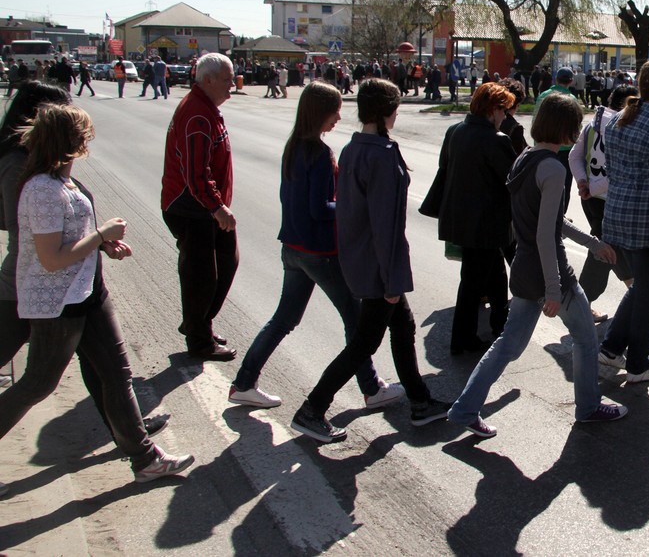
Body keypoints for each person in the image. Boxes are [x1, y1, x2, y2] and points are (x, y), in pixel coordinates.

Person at [0, 103, 194, 490]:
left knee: (116, 375)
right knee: (38, 383)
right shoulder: (41, 188)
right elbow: (52, 259)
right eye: (84, 136)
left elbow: (71, 241)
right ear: (73, 142)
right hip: (59, 303)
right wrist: (102, 235)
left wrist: (102, 247)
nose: (89, 141)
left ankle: (145, 459)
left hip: (87, 293)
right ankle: (144, 457)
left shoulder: (62, 182)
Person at [447, 92, 628, 437]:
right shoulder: (552, 168)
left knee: (507, 346)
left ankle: (464, 410)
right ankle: (589, 407)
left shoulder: (526, 158)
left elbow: (548, 222)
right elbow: (548, 235)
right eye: (575, 124)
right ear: (567, 128)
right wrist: (553, 289)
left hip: (524, 268)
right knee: (587, 339)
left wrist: (594, 244)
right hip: (552, 272)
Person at [291, 79, 452, 442]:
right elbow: (386, 227)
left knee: (404, 327)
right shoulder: (380, 154)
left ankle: (420, 401)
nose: (397, 112)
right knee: (364, 343)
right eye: (395, 107)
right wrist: (392, 281)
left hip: (364, 260)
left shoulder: (354, 148)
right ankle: (312, 408)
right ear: (385, 112)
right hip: (381, 267)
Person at [229, 82, 405, 409]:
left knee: (284, 319)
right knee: (356, 323)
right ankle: (371, 388)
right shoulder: (321, 154)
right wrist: (351, 206)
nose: (340, 116)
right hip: (320, 253)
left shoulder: (294, 146)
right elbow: (320, 209)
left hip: (293, 248)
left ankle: (244, 382)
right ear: (320, 113)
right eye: (335, 110)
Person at [598, 59, 649, 384]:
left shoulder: (620, 117)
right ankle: (637, 364)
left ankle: (610, 348)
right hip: (648, 224)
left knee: (640, 289)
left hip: (619, 217)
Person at [422, 83, 517, 355]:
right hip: (485, 223)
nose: (506, 116)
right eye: (504, 110)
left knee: (494, 274)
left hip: (462, 219)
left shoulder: (456, 131)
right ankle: (462, 340)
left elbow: (445, 170)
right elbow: (512, 179)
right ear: (492, 109)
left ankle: (500, 324)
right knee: (473, 283)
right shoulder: (496, 139)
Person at [160, 53, 239, 361]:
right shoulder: (197, 114)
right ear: (208, 80)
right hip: (192, 208)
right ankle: (199, 340)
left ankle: (199, 323)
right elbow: (195, 173)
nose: (233, 83)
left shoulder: (206, 109)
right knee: (202, 276)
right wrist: (217, 207)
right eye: (227, 78)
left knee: (225, 264)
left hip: (203, 206)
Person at [568, 85, 637, 320]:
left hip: (592, 200)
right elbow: (620, 171)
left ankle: (633, 289)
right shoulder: (621, 127)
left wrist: (583, 184)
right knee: (602, 249)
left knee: (610, 245)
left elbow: (574, 157)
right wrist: (589, 187)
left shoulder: (593, 123)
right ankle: (580, 303)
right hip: (609, 200)